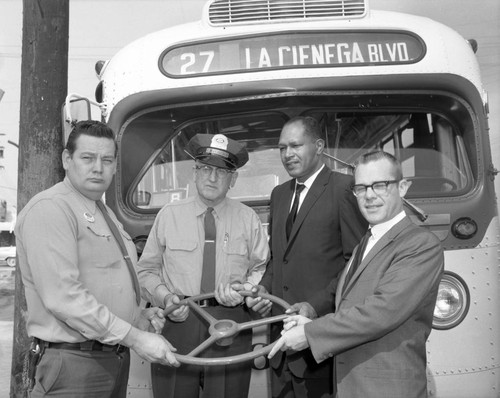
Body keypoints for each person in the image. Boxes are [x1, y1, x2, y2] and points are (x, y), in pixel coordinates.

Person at [15, 120, 179, 398]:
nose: (98, 168)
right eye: (87, 158)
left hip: (109, 358)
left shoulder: (102, 212)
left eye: (107, 160)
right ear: (67, 159)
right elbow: (64, 297)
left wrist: (137, 317)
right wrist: (136, 338)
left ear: (115, 166)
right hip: (73, 365)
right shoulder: (51, 209)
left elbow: (104, 280)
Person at [269, 150, 445, 398]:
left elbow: (381, 312)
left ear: (403, 187)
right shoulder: (367, 241)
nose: (369, 196)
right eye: (361, 188)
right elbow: (344, 293)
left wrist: (311, 333)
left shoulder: (420, 245)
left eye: (380, 185)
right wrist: (311, 310)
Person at [136, 133, 270, 398]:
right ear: (194, 173)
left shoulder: (249, 220)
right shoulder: (168, 216)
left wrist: (245, 290)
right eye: (205, 168)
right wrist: (165, 299)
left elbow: (261, 269)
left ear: (233, 180)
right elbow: (146, 271)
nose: (212, 178)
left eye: (221, 172)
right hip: (178, 322)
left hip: (230, 324)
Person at [247, 116, 367, 398]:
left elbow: (357, 264)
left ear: (319, 146)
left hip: (320, 347)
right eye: (281, 148)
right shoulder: (278, 195)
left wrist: (315, 306)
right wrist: (264, 288)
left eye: (295, 145)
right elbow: (279, 259)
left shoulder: (343, 189)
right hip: (281, 348)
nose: (287, 154)